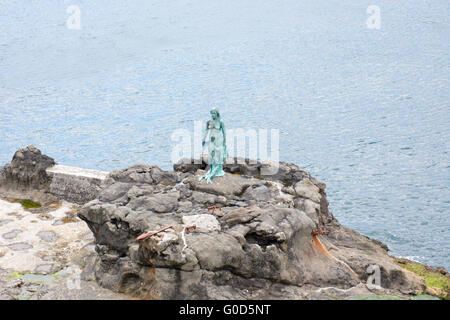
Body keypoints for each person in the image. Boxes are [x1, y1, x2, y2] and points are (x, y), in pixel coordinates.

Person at [198, 108, 228, 184]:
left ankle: (218, 171)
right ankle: (212, 170)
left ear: (217, 113)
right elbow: (206, 130)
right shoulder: (209, 122)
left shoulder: (221, 122)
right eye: (211, 113)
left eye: (214, 113)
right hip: (212, 140)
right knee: (211, 154)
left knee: (218, 155)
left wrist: (224, 142)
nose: (212, 115)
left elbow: (224, 132)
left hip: (219, 139)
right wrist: (203, 139)